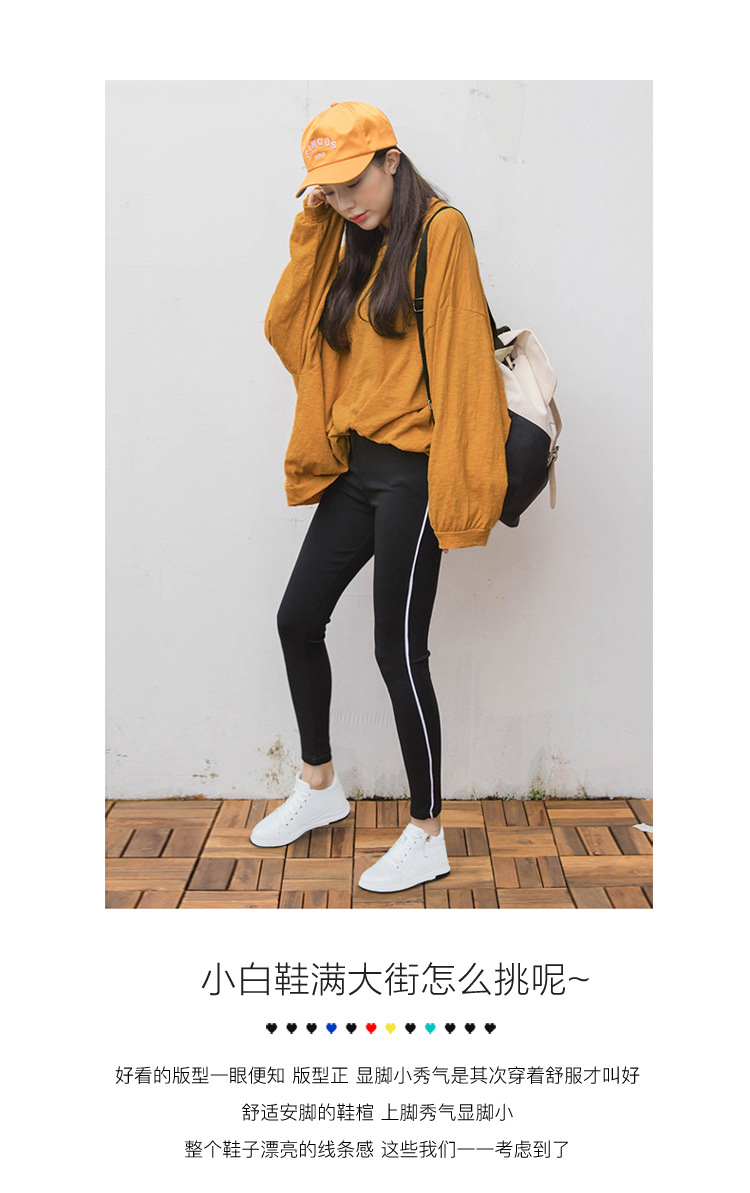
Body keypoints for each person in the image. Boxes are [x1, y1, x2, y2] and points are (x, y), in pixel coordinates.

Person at [253, 101, 510, 893]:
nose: (345, 201)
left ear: (392, 160)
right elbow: (287, 330)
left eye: (353, 182)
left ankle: (428, 832)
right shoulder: (346, 239)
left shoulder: (441, 231)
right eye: (327, 190)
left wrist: (458, 490)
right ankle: (320, 785)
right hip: (358, 469)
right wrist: (314, 225)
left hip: (416, 475)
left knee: (397, 651)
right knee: (297, 617)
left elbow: (464, 368)